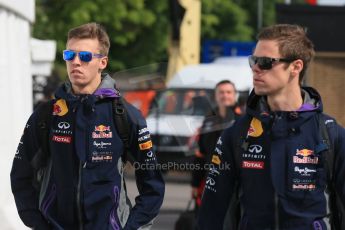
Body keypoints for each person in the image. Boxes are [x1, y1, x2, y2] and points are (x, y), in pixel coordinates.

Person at [10, 22, 165, 230]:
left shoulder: (125, 115)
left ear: (102, 62)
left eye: (84, 57)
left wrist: (131, 227)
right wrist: (39, 224)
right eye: (69, 55)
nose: (75, 62)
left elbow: (152, 185)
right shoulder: (47, 114)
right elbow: (21, 175)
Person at [196, 24, 345, 229]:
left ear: (295, 67)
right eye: (254, 60)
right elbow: (211, 214)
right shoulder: (236, 134)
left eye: (266, 62)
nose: (255, 68)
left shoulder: (331, 134)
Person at [191, 80, 241, 208]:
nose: (225, 95)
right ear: (216, 95)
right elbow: (200, 154)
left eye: (229, 92)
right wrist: (195, 184)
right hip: (211, 179)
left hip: (235, 182)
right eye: (221, 92)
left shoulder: (243, 120)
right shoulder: (209, 120)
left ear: (235, 95)